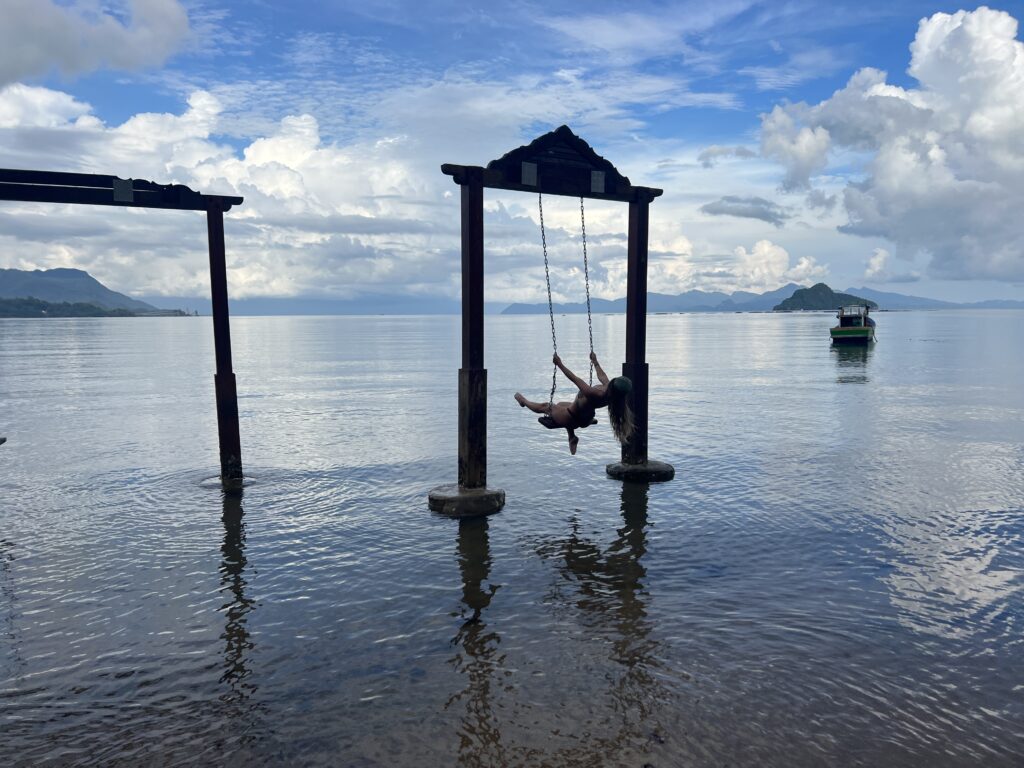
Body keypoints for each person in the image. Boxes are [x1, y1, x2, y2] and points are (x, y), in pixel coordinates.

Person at [514, 352, 634, 455]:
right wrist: (595, 362)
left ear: (612, 386)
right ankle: (572, 437)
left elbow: (574, 378)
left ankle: (523, 401)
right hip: (585, 417)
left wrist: (559, 364)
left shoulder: (594, 393)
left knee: (546, 407)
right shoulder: (613, 396)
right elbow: (602, 376)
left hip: (572, 418)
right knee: (561, 404)